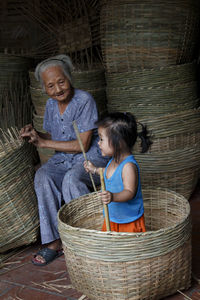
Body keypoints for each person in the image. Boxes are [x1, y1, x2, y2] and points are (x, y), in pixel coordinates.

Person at [20, 54, 109, 266]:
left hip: (90, 158)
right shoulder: (51, 105)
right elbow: (56, 137)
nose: (58, 89)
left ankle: (87, 240)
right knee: (42, 175)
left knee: (71, 179)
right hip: (64, 158)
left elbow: (83, 145)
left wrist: (44, 144)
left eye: (61, 82)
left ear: (70, 78)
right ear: (45, 89)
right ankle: (53, 243)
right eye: (51, 86)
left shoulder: (84, 100)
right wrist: (37, 135)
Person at [84, 112, 152, 233]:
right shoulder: (113, 160)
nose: (98, 143)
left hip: (128, 220)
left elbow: (129, 192)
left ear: (119, 142)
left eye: (101, 139)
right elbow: (111, 173)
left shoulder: (128, 167)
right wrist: (94, 169)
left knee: (127, 250)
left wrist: (113, 196)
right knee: (112, 249)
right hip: (112, 217)